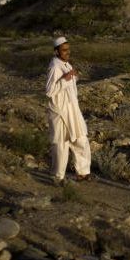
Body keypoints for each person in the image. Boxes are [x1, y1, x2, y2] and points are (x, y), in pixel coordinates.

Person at [45, 36, 92, 184]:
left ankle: (83, 172)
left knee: (81, 140)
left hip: (72, 110)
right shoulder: (54, 66)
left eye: (68, 49)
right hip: (60, 111)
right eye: (64, 50)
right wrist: (65, 79)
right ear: (56, 51)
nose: (67, 52)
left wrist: (73, 76)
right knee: (61, 144)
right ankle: (57, 177)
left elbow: (69, 83)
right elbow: (49, 91)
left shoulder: (67, 65)